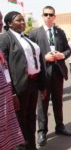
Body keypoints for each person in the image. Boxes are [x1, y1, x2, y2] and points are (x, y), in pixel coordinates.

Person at [29, 5, 71, 147]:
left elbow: (68, 50)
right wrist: (44, 58)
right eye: (46, 14)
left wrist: (62, 55)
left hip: (58, 72)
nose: (48, 17)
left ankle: (60, 126)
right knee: (42, 104)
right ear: (42, 16)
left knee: (58, 101)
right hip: (42, 75)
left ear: (55, 17)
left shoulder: (60, 32)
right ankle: (42, 131)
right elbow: (30, 56)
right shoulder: (34, 33)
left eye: (51, 14)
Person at [0, 11, 45, 150]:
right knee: (20, 121)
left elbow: (37, 60)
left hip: (33, 83)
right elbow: (5, 67)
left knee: (31, 118)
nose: (22, 22)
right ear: (9, 23)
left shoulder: (25, 37)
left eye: (23, 20)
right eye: (18, 20)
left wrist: (42, 84)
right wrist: (12, 93)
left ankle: (32, 146)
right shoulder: (5, 39)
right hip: (19, 87)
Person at [0, 11, 25, 150]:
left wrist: (12, 94)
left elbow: (5, 70)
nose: (0, 24)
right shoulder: (4, 39)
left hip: (7, 101)